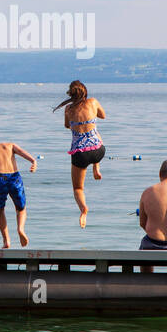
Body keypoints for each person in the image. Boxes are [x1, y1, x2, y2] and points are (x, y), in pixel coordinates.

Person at [54, 80, 106, 227]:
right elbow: (103, 116)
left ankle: (83, 209)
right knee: (95, 133)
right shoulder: (93, 102)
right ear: (85, 92)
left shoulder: (68, 109)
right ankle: (96, 167)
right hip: (98, 152)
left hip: (80, 154)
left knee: (78, 188)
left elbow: (66, 125)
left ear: (71, 94)